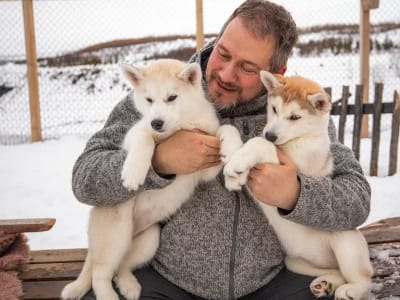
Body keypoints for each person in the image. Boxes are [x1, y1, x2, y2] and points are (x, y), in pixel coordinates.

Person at [72, 0, 371, 299]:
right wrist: (159, 162)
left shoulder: (294, 115)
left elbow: (356, 199)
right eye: (223, 53)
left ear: (276, 73)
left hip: (275, 282)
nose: (227, 74)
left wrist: (296, 194)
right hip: (165, 280)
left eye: (247, 67)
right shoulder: (158, 96)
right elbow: (85, 180)